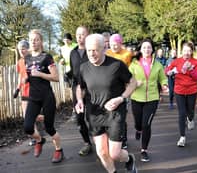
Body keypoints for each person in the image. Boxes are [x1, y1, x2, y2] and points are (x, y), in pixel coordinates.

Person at [75, 33, 138, 173]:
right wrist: (79, 100)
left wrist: (121, 98)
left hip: (115, 113)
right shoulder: (83, 67)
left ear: (104, 48)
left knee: (114, 154)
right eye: (89, 50)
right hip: (94, 114)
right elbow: (80, 87)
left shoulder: (116, 65)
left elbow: (133, 83)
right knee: (102, 152)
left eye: (95, 50)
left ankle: (129, 159)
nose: (91, 54)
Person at [23, 29, 64, 163]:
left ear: (41, 41)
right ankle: (40, 140)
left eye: (36, 39)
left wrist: (40, 74)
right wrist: (26, 79)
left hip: (47, 97)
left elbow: (56, 77)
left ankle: (58, 150)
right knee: (28, 127)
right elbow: (30, 75)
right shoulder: (27, 58)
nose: (33, 42)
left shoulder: (47, 57)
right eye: (31, 40)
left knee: (49, 127)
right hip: (33, 97)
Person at [129, 38, 168, 162]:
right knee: (138, 123)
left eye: (149, 47)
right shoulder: (134, 64)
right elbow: (128, 79)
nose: (147, 49)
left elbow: (163, 78)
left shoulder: (157, 64)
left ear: (152, 50)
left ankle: (144, 150)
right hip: (136, 97)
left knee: (147, 124)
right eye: (144, 47)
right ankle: (137, 129)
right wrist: (135, 83)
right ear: (140, 49)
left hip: (152, 98)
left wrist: (164, 85)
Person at [165, 41, 197, 147]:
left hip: (192, 90)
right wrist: (169, 72)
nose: (187, 53)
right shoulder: (176, 61)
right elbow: (167, 70)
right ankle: (182, 137)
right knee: (182, 113)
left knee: (190, 111)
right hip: (179, 90)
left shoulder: (195, 62)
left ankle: (190, 119)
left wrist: (191, 70)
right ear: (182, 51)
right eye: (185, 50)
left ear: (192, 52)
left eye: (189, 51)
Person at [68, 26, 93, 156]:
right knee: (79, 119)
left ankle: (100, 139)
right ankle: (87, 143)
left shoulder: (92, 51)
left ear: (87, 35)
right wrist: (69, 76)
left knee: (91, 117)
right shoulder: (73, 52)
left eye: (82, 34)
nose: (79, 37)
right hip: (77, 89)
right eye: (77, 34)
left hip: (91, 89)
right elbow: (73, 71)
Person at [106, 33, 132, 149]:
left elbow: (131, 70)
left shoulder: (127, 54)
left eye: (116, 44)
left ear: (120, 44)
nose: (114, 46)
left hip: (124, 88)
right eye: (111, 44)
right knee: (109, 114)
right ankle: (111, 137)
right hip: (110, 88)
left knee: (122, 115)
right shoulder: (107, 53)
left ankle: (123, 138)